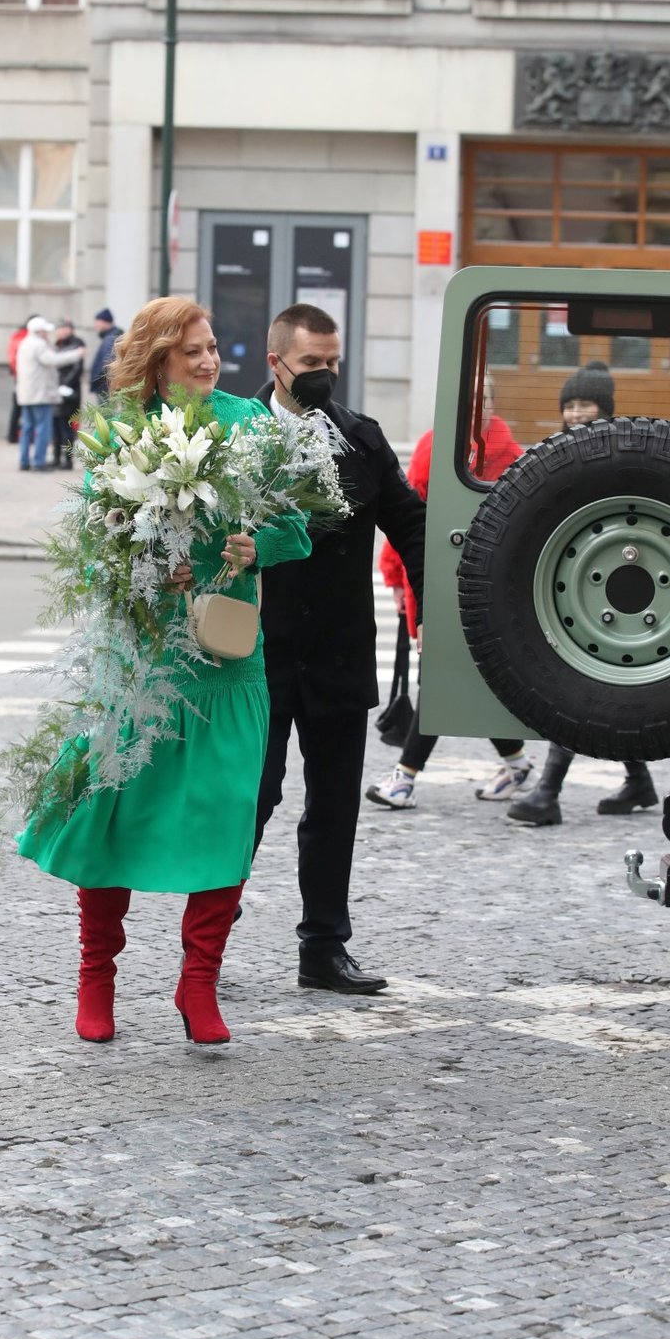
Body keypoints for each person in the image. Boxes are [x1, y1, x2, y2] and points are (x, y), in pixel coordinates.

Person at [18, 297, 312, 1045]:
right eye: (193, 351)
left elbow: (299, 529)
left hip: (226, 661)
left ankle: (198, 985)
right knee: (109, 816)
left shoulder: (249, 425)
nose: (209, 360)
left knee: (225, 819)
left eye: (212, 347)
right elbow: (92, 548)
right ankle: (97, 978)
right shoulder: (118, 434)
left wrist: (256, 547)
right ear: (156, 361)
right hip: (142, 660)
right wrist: (151, 562)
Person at [251, 303, 426, 995]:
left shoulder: (361, 438)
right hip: (255, 662)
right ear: (277, 364)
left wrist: (434, 606)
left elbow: (409, 523)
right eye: (311, 365)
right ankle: (207, 941)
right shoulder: (233, 437)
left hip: (339, 656)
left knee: (333, 810)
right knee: (251, 801)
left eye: (333, 363)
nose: (324, 376)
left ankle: (323, 948)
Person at [367, 373, 534, 809]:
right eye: (466, 400)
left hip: (485, 586)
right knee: (457, 676)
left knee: (446, 678)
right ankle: (516, 764)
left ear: (492, 407)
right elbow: (405, 517)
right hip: (433, 577)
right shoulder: (429, 447)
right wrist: (395, 580)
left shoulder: (511, 456)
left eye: (482, 400)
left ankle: (404, 776)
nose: (474, 409)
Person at [508, 361, 658, 826]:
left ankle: (548, 791)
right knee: (598, 688)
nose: (575, 413)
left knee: (578, 692)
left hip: (617, 584)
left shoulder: (621, 449)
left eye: (585, 404)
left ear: (605, 409)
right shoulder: (554, 453)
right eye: (569, 404)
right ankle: (638, 780)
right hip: (574, 590)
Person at [16, 316, 86, 472]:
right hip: (40, 394)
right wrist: (76, 354)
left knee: (27, 428)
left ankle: (24, 461)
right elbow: (53, 360)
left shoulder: (24, 343)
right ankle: (38, 462)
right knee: (43, 428)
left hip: (26, 395)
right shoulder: (39, 344)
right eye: (45, 331)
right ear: (39, 332)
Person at [51, 318, 84, 469]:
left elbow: (77, 369)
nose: (62, 331)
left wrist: (65, 385)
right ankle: (56, 457)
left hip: (70, 392)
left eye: (65, 328)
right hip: (55, 391)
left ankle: (68, 460)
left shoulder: (77, 344)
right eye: (59, 328)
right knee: (55, 426)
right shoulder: (56, 345)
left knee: (68, 427)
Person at [6, 315, 33, 445]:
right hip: (24, 378)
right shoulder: (25, 338)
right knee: (21, 408)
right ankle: (14, 435)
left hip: (19, 377)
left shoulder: (17, 336)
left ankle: (13, 435)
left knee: (17, 408)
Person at [89, 307, 123, 398]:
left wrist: (97, 380)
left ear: (104, 322)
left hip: (104, 387)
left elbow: (107, 363)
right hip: (106, 386)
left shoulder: (110, 338)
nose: (95, 325)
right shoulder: (111, 337)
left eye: (97, 321)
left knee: (105, 411)